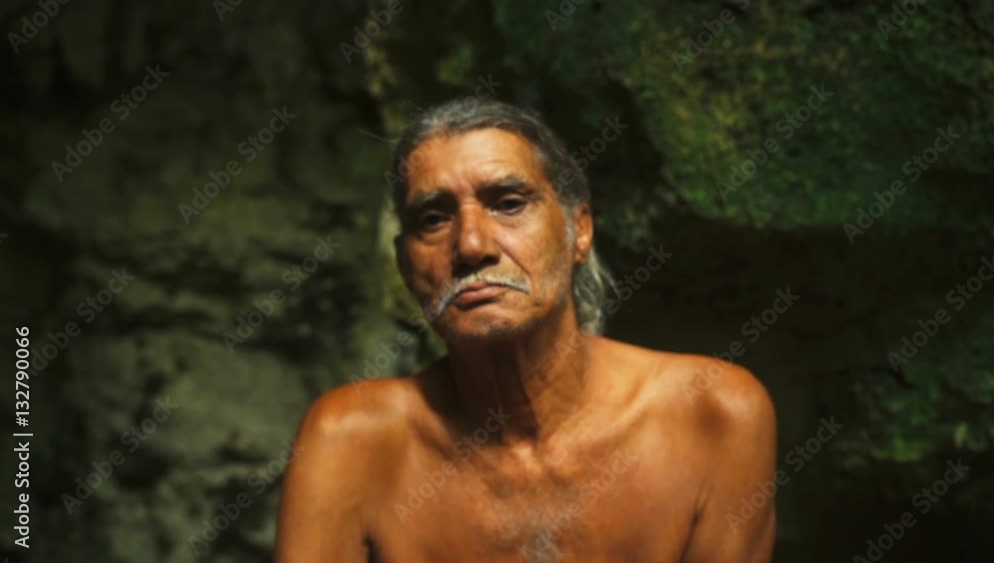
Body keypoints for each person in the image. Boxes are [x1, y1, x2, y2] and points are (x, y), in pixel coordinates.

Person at [275, 99, 777, 563]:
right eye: (433, 218)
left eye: (508, 203)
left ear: (578, 230)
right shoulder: (351, 442)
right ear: (406, 266)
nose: (471, 245)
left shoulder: (712, 415)